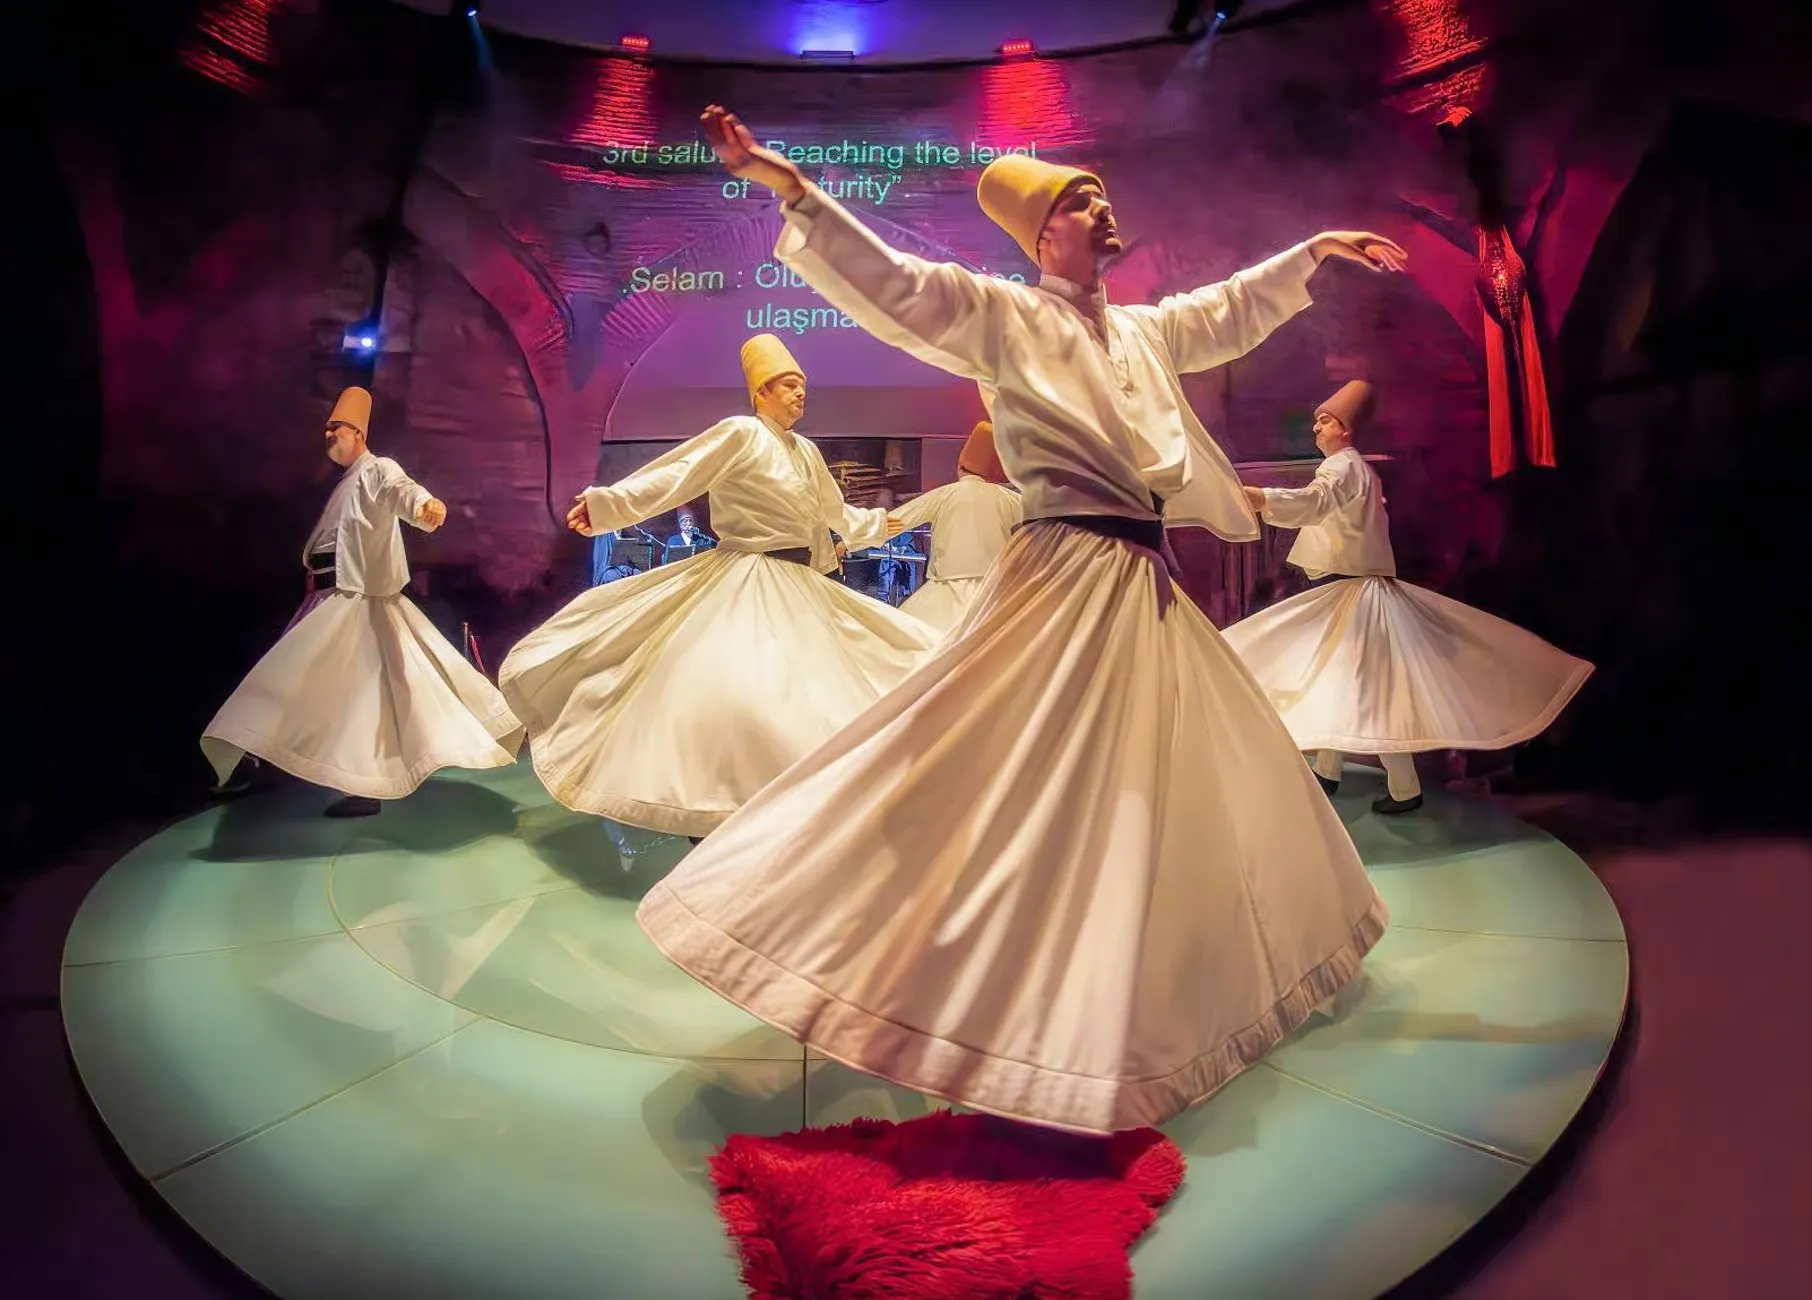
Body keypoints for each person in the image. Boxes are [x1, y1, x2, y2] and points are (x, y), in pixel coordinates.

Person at [634, 107, 1409, 1135]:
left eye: (1101, 194)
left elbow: (1223, 312)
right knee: (999, 764)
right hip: (1065, 571)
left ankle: (1128, 1001)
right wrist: (792, 189)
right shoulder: (1005, 315)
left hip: (1140, 576)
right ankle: (948, 974)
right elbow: (897, 286)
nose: (1103, 207)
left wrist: (1309, 251)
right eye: (1081, 201)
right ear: (1045, 235)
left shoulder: (1141, 329)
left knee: (1176, 774)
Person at [498, 334, 938, 841]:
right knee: (732, 691)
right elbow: (677, 475)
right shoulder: (739, 433)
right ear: (762, 392)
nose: (800, 395)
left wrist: (883, 525)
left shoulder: (808, 453)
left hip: (798, 584)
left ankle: (780, 811)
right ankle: (710, 812)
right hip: (745, 574)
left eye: (802, 388)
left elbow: (835, 515)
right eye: (790, 386)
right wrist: (608, 506)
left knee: (804, 691)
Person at [1226, 381, 1593, 813]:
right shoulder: (1358, 470)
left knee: (1368, 688)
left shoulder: (1342, 469)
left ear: (1346, 430)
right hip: (1356, 591)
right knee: (1350, 681)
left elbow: (1315, 504)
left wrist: (1262, 498)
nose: (1316, 429)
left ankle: (1397, 786)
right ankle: (1334, 771)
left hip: (1358, 593)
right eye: (1317, 422)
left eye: (1325, 421)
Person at [201, 386, 523, 818]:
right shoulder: (346, 482)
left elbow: (404, 491)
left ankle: (289, 766)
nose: (328, 434)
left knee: (330, 688)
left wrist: (427, 506)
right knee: (318, 688)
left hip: (352, 599)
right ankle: (256, 759)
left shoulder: (378, 470)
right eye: (328, 428)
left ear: (357, 432)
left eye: (336, 428)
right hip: (329, 598)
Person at [889, 418, 1024, 636]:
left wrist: (850, 542)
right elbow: (1048, 526)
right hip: (997, 594)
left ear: (960, 466)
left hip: (945, 594)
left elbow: (895, 522)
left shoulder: (945, 495)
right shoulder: (1011, 500)